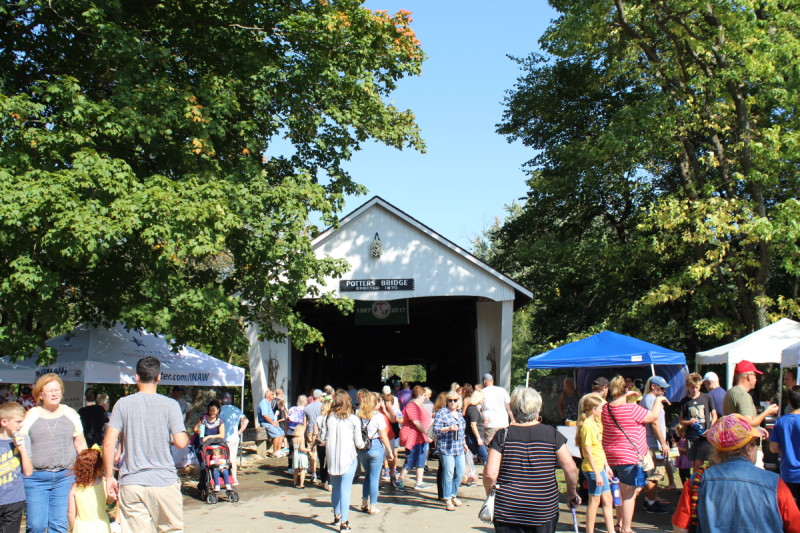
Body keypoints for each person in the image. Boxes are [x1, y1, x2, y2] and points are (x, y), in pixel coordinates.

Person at [672, 414, 800, 533]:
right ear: (748, 447)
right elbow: (795, 526)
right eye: (757, 443)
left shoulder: (697, 481)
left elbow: (680, 528)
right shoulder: (775, 483)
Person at [103, 356, 189, 533]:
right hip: (164, 481)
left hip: (132, 481)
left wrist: (110, 477)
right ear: (159, 377)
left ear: (136, 378)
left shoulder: (122, 404)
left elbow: (108, 443)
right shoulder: (171, 405)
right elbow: (181, 442)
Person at [483, 387, 580, 533]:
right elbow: (570, 467)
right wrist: (572, 494)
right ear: (538, 408)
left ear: (514, 408)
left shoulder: (502, 436)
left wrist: (490, 495)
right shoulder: (551, 434)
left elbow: (490, 474)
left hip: (508, 508)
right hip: (543, 509)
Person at [21, 373, 88, 533]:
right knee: (36, 525)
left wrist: (89, 469)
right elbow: (22, 444)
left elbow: (80, 443)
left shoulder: (70, 413)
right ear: (40, 395)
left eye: (57, 390)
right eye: (49, 390)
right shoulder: (31, 415)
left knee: (58, 525)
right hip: (36, 478)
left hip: (65, 477)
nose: (54, 393)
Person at [601, 375, 668, 533]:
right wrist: (658, 401)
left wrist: (627, 396)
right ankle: (626, 528)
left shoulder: (606, 409)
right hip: (628, 456)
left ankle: (619, 524)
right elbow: (653, 417)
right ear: (626, 389)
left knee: (618, 492)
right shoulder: (632, 409)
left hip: (611, 457)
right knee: (629, 494)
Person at [318, 390, 365, 532]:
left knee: (336, 488)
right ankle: (344, 522)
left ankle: (337, 515)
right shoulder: (354, 419)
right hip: (348, 458)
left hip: (332, 458)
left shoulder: (328, 418)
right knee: (346, 490)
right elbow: (359, 443)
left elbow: (323, 438)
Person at [576, 394, 614, 533]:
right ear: (593, 409)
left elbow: (600, 447)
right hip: (592, 469)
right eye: (601, 409)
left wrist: (606, 466)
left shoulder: (597, 424)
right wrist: (597, 474)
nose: (603, 411)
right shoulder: (587, 426)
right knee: (594, 501)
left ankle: (611, 530)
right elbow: (588, 452)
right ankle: (589, 531)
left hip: (600, 467)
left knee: (608, 499)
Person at [639, 376, 672, 514]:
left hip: (653, 442)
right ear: (653, 386)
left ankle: (650, 500)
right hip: (653, 443)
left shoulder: (650, 399)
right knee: (654, 473)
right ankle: (651, 503)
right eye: (662, 387)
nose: (664, 390)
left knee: (653, 473)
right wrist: (663, 443)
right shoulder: (650, 399)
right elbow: (654, 423)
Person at [356, 392, 393, 514]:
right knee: (374, 477)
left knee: (367, 475)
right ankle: (373, 505)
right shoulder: (379, 417)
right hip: (375, 446)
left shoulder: (358, 415)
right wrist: (389, 451)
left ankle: (364, 501)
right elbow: (383, 436)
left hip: (362, 448)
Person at [0, 402, 32, 533]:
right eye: (18, 421)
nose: (21, 425)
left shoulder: (24, 439)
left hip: (14, 498)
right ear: (4, 422)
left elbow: (28, 472)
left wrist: (22, 448)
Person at [433, 390, 467, 511]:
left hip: (459, 448)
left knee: (461, 472)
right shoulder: (442, 413)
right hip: (446, 448)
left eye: (455, 400)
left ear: (459, 402)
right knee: (448, 472)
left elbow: (462, 431)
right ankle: (447, 498)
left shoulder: (459, 414)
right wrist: (448, 428)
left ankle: (453, 494)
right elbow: (435, 429)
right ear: (446, 401)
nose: (452, 402)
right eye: (450, 400)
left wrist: (464, 443)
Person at [679, 372, 718, 471]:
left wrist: (710, 429)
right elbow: (681, 420)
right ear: (688, 387)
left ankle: (703, 481)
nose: (694, 390)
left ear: (700, 386)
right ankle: (695, 483)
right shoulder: (684, 401)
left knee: (704, 461)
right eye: (692, 388)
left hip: (706, 436)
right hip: (692, 436)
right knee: (695, 463)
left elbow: (714, 415)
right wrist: (689, 422)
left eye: (696, 387)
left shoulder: (707, 397)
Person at [67, 448, 112, 533]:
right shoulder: (103, 484)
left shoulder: (75, 487)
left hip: (81, 528)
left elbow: (71, 512)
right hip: (101, 526)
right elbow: (109, 502)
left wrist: (73, 528)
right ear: (97, 467)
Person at [770, 385, 800, 506]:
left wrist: (787, 446)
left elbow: (773, 448)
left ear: (789, 402)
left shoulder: (780, 422)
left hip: (787, 473)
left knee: (789, 509)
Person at [398, 385, 433, 490]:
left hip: (420, 437)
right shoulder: (412, 406)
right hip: (413, 437)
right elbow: (416, 422)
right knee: (411, 459)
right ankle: (399, 480)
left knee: (421, 459)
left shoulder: (419, 405)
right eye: (423, 396)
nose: (425, 398)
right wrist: (427, 433)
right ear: (419, 395)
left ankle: (419, 482)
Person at [219, 391, 248, 484]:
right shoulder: (236, 410)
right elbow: (246, 421)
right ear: (231, 399)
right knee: (233, 459)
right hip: (234, 437)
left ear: (223, 399)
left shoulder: (220, 410)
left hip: (223, 438)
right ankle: (234, 479)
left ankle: (223, 478)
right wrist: (239, 432)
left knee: (222, 458)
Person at [481, 374, 514, 445]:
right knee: (503, 446)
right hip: (503, 423)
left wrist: (482, 419)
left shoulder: (481, 392)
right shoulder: (502, 390)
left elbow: (478, 409)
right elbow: (509, 408)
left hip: (490, 424)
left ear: (484, 382)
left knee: (490, 448)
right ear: (492, 381)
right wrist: (513, 420)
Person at [378, 393, 402, 488]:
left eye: (388, 401)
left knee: (390, 457)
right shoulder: (375, 411)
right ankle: (379, 480)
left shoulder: (389, 410)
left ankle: (392, 472)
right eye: (384, 401)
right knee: (379, 459)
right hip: (379, 438)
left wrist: (385, 409)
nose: (386, 403)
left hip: (390, 436)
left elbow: (393, 419)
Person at [258, 389, 286, 457]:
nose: (274, 396)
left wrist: (274, 421)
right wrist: (272, 423)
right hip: (266, 422)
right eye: (272, 394)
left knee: (282, 433)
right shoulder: (264, 403)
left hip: (271, 421)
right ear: (268, 396)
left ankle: (279, 450)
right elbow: (265, 415)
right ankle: (275, 451)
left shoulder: (268, 403)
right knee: (277, 434)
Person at [313, 397, 333, 491]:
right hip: (330, 442)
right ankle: (330, 483)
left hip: (321, 443)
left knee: (322, 463)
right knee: (330, 463)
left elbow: (315, 433)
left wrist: (313, 444)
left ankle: (323, 481)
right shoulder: (333, 418)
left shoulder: (319, 418)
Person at [465, 389, 488, 466]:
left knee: (483, 458)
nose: (483, 400)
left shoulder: (473, 408)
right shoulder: (473, 409)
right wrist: (478, 438)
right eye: (482, 398)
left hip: (475, 437)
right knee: (485, 458)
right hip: (474, 438)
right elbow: (473, 425)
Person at [291, 423, 310, 489]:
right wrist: (309, 449)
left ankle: (294, 482)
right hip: (301, 455)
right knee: (302, 470)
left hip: (295, 455)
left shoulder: (293, 439)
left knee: (296, 469)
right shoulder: (301, 439)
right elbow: (302, 449)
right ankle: (301, 484)